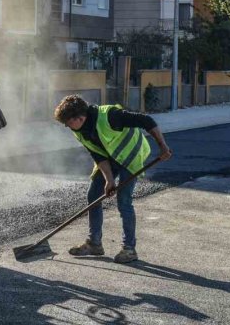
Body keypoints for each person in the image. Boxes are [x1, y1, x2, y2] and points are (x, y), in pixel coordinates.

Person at [54, 94, 172, 264]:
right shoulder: (79, 130)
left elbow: (147, 121)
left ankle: (129, 249)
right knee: (93, 195)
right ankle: (94, 244)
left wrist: (163, 146)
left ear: (80, 118)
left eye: (68, 123)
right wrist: (109, 180)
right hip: (110, 157)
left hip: (130, 155)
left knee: (124, 201)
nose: (67, 126)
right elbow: (97, 155)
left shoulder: (110, 116)